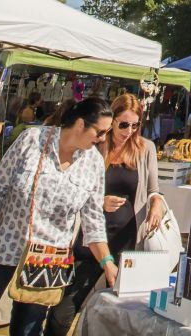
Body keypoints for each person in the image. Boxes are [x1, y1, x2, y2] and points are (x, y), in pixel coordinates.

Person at [0, 98, 115, 336]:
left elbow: (93, 220)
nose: (102, 139)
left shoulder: (94, 163)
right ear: (80, 124)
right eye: (100, 132)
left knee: (28, 330)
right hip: (2, 248)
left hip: (47, 259)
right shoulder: (31, 140)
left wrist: (107, 262)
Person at [47, 94, 165, 336]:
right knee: (65, 308)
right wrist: (100, 202)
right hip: (92, 239)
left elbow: (154, 190)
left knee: (124, 311)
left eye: (135, 125)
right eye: (123, 124)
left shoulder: (145, 148)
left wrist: (156, 204)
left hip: (128, 239)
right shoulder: (94, 146)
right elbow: (75, 188)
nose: (129, 131)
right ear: (111, 121)